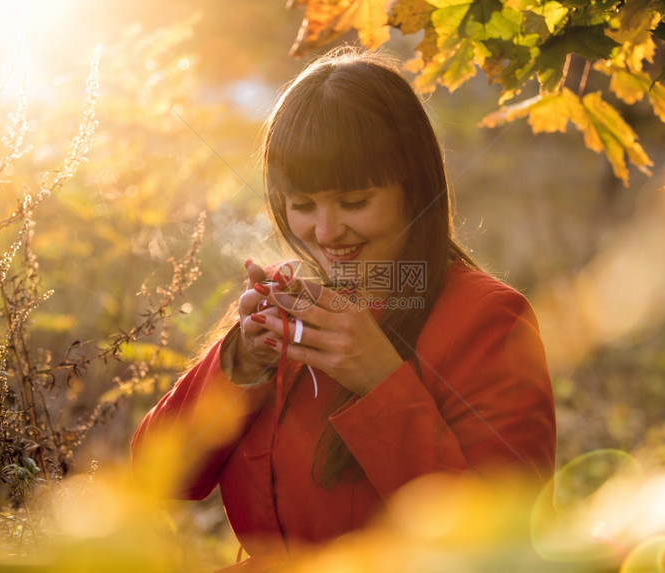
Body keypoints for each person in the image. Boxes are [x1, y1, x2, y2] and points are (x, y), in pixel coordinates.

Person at [131, 46, 556, 571]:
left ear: (414, 187)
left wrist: (381, 381)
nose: (326, 234)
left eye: (355, 202)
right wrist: (239, 365)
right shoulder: (290, 304)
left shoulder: (488, 319)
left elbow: (506, 545)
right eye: (303, 206)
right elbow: (160, 475)